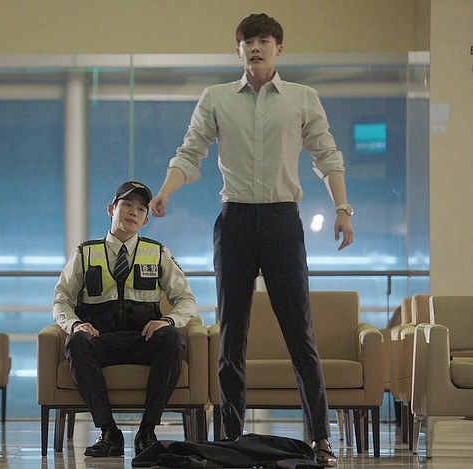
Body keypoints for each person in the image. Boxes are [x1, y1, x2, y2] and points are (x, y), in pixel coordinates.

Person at [148, 13, 354, 468]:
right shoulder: (216, 98)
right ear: (238, 50)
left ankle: (321, 439)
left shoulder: (302, 98)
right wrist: (164, 192)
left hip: (283, 223)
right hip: (235, 222)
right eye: (248, 42)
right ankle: (230, 438)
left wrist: (342, 208)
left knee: (300, 334)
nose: (256, 48)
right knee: (232, 336)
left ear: (279, 48)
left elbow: (326, 154)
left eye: (264, 41)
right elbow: (191, 151)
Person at [53, 180, 197, 458]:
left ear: (145, 220)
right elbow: (61, 299)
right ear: (111, 209)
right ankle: (109, 432)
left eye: (141, 209)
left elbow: (186, 299)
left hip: (143, 339)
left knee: (172, 339)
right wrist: (76, 325)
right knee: (76, 342)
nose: (133, 212)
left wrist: (168, 321)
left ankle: (147, 431)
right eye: (127, 204)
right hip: (101, 339)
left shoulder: (157, 253)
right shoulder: (85, 253)